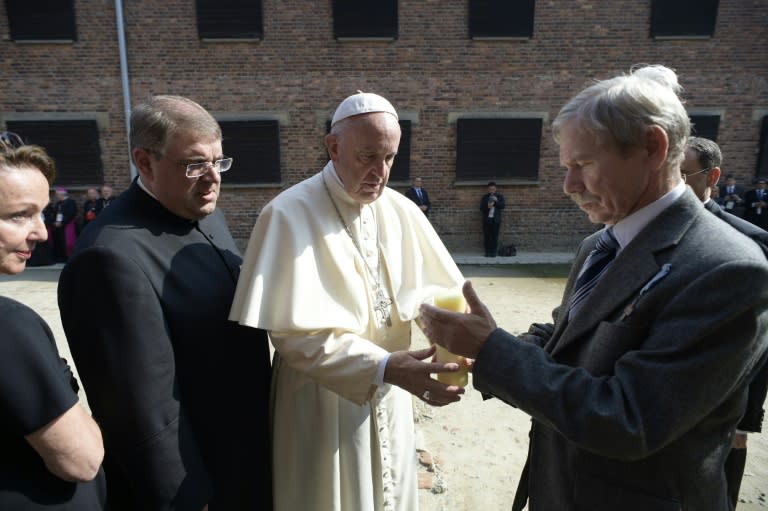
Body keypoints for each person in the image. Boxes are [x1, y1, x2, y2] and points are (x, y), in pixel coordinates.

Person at [419, 65, 768, 510]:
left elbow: (627, 419)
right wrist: (477, 348)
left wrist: (493, 351)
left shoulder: (727, 269)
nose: (568, 186)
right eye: (566, 167)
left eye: (582, 164)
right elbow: (567, 336)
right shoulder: (599, 244)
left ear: (653, 148)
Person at [229, 91, 466, 511]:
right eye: (368, 156)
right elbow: (292, 335)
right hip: (321, 401)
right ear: (334, 147)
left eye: (390, 158)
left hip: (394, 389)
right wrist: (381, 365)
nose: (381, 171)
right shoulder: (287, 214)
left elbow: (430, 293)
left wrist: (446, 331)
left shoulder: (401, 210)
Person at [57, 95, 272, 510]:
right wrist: (190, 500)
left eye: (219, 162)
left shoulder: (206, 213)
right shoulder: (108, 258)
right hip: (199, 481)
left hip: (246, 455)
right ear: (145, 161)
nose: (212, 178)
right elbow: (143, 413)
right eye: (194, 164)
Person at [0, 131, 106, 509]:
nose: (41, 232)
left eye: (41, 213)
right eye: (18, 216)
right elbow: (81, 459)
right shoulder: (9, 326)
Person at [682, 136, 768, 509]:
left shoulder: (749, 240)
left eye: (684, 173)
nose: (674, 182)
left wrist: (748, 416)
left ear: (711, 176)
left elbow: (760, 337)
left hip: (726, 387)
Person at [51, 187, 77, 262]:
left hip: (67, 225)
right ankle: (61, 257)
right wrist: (55, 222)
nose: (56, 196)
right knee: (59, 242)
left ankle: (68, 257)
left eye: (57, 194)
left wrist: (61, 223)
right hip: (58, 226)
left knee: (67, 242)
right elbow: (56, 214)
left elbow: (71, 214)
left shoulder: (70, 202)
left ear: (61, 194)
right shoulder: (59, 203)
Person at [479, 181, 505, 257]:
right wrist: (488, 207)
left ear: (496, 189)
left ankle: (493, 252)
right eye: (490, 189)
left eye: (493, 189)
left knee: (494, 236)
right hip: (487, 220)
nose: (492, 190)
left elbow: (503, 206)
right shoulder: (485, 197)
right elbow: (481, 208)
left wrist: (496, 201)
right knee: (487, 236)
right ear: (488, 189)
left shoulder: (499, 197)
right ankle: (487, 252)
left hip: (496, 220)